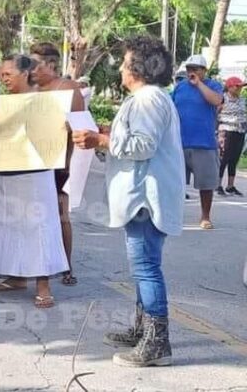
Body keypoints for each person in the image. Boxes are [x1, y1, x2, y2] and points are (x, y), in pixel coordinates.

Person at [73, 36, 182, 368]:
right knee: (144, 267)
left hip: (145, 198)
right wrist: (108, 132)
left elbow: (143, 146)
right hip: (145, 196)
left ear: (138, 68)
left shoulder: (148, 99)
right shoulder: (150, 98)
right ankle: (142, 331)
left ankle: (157, 343)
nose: (120, 67)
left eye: (124, 62)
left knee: (146, 268)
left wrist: (100, 139)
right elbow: (137, 138)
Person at [0, 55, 69, 309]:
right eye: (1, 75)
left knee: (38, 228)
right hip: (4, 174)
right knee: (8, 225)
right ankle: (16, 277)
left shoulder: (45, 101)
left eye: (8, 75)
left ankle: (43, 285)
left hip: (35, 176)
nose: (4, 80)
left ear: (25, 74)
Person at [29, 42, 86, 286]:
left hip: (59, 163)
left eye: (34, 64)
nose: (30, 69)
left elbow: (81, 126)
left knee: (61, 216)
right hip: (29, 161)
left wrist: (68, 161)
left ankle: (66, 266)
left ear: (50, 64)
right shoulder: (28, 89)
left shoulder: (69, 89)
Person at [172, 54, 223, 229]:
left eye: (195, 69)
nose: (190, 72)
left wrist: (199, 84)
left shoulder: (213, 85)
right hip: (180, 143)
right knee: (175, 183)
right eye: (188, 69)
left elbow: (216, 100)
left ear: (204, 71)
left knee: (206, 185)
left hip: (204, 143)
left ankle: (205, 217)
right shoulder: (180, 88)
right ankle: (174, 216)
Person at [216, 76, 246, 197]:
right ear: (229, 87)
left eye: (240, 86)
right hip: (227, 130)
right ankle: (217, 184)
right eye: (237, 86)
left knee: (234, 158)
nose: (239, 89)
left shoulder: (242, 100)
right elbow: (216, 112)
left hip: (240, 131)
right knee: (224, 158)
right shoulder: (223, 99)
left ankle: (230, 185)